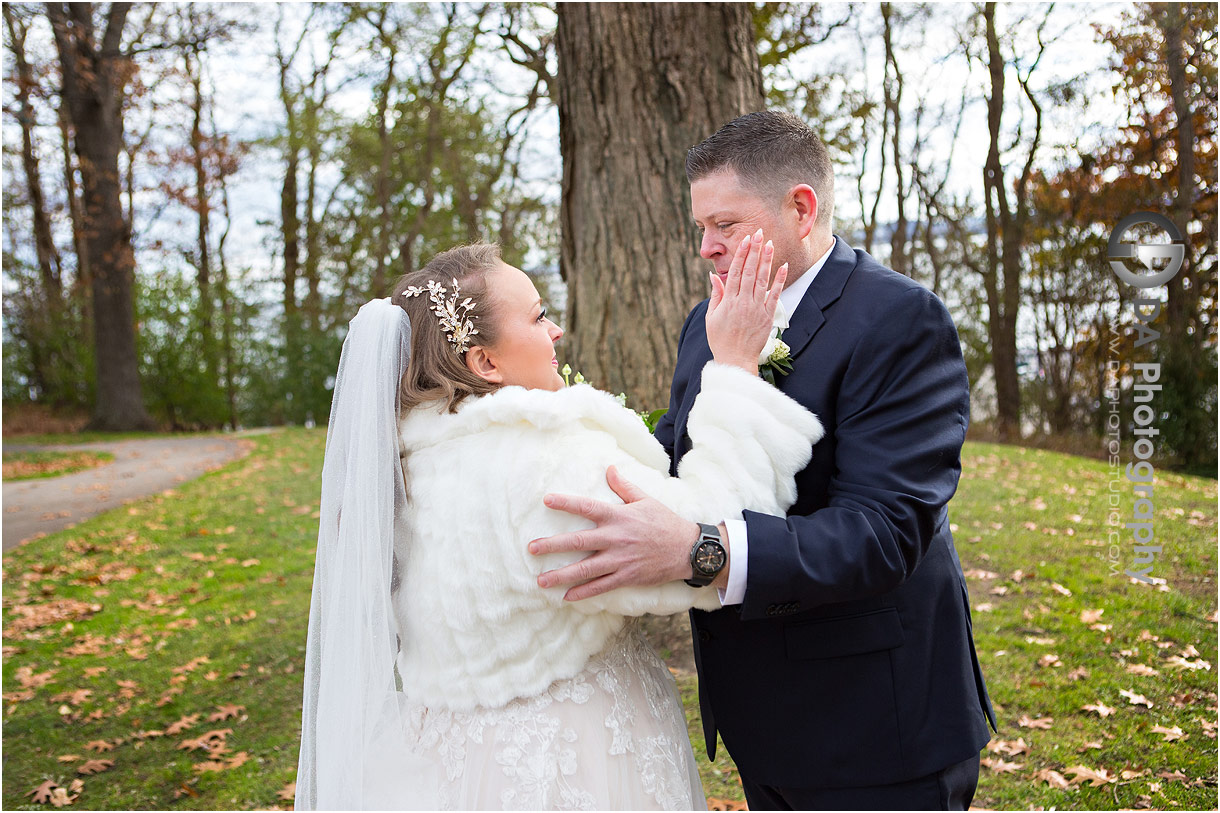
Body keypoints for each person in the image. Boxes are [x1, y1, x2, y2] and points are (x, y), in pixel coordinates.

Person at [529, 110, 997, 810]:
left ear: (800, 208)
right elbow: (685, 458)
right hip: (761, 720)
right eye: (700, 229)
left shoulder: (900, 320)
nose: (707, 249)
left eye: (725, 224)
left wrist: (702, 551)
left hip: (876, 726)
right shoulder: (707, 321)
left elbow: (884, 531)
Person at [295, 239, 825, 810]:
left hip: (449, 766)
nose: (556, 334)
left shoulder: (405, 467)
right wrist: (736, 370)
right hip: (575, 762)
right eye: (539, 316)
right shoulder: (545, 461)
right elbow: (718, 526)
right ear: (484, 363)